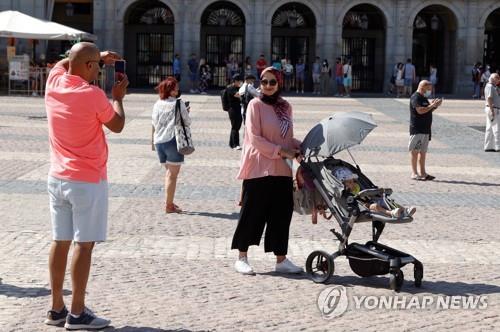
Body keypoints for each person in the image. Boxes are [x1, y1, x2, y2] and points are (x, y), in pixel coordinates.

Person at [44, 42, 128, 329]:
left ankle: (56, 308)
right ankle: (78, 313)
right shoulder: (92, 94)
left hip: (57, 177)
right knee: (84, 244)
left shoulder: (53, 83)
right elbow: (116, 125)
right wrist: (118, 97)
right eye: (97, 66)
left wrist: (97, 56)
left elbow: (67, 63)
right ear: (90, 68)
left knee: (60, 240)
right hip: (87, 179)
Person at [231, 66, 303, 275]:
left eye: (273, 82)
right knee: (252, 213)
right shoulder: (255, 105)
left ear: (280, 83)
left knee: (281, 215)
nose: (268, 86)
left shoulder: (285, 107)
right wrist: (282, 151)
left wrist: (301, 146)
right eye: (264, 82)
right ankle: (242, 257)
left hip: (282, 169)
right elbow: (254, 138)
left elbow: (286, 137)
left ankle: (281, 259)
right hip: (259, 168)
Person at [152, 77, 191, 213]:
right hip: (172, 141)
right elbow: (187, 122)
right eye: (176, 88)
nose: (178, 89)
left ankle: (169, 202)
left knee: (169, 173)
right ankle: (169, 205)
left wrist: (152, 142)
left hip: (159, 142)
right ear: (171, 90)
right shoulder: (178, 104)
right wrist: (186, 111)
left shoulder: (157, 103)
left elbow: (154, 123)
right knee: (172, 175)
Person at [335, 167, 416, 219]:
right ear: (342, 184)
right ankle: (391, 213)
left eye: (352, 181)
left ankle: (404, 210)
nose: (352, 183)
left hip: (370, 199)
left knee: (387, 200)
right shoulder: (346, 193)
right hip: (364, 206)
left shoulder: (357, 186)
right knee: (376, 206)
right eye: (349, 182)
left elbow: (366, 191)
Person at [409, 80, 443, 181]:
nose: (430, 90)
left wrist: (435, 106)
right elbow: (420, 110)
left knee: (423, 152)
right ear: (423, 87)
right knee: (414, 151)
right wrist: (431, 105)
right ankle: (414, 173)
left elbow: (427, 110)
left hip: (425, 129)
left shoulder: (424, 97)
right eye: (429, 88)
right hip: (417, 129)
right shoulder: (416, 97)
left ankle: (423, 173)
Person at [222, 74, 243, 150]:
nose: (240, 82)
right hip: (232, 109)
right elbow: (237, 95)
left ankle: (231, 143)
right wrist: (244, 91)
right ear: (234, 81)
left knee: (236, 125)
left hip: (238, 108)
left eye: (240, 81)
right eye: (238, 81)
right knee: (235, 126)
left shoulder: (238, 88)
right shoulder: (230, 88)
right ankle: (235, 144)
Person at [484, 73, 500, 152]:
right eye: (498, 79)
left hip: (492, 108)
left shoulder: (493, 87)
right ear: (494, 79)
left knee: (489, 128)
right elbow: (489, 98)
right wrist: (492, 110)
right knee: (496, 128)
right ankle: (497, 146)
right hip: (493, 108)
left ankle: (488, 146)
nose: (498, 81)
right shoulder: (490, 86)